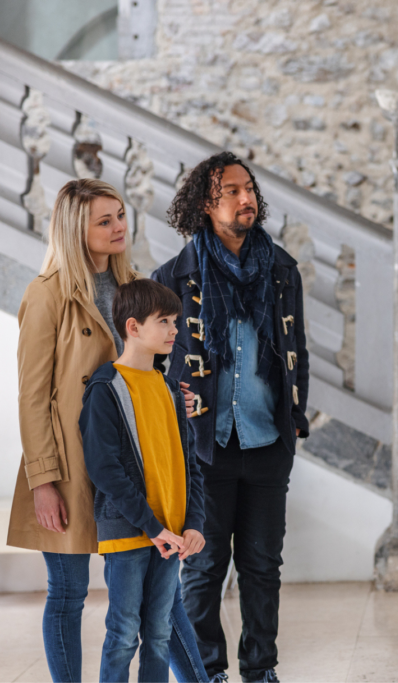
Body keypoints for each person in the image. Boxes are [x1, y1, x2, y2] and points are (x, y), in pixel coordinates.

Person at [5, 178, 209, 683]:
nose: (120, 227)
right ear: (76, 228)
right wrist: (43, 479)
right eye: (105, 220)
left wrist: (169, 397)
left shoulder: (134, 284)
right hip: (71, 464)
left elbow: (144, 366)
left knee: (161, 595)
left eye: (120, 215)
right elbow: (32, 396)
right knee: (69, 592)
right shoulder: (46, 294)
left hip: (137, 464)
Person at [153, 152, 310, 683]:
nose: (248, 200)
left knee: (263, 568)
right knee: (202, 569)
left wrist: (293, 422)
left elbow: (298, 353)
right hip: (204, 449)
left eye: (250, 190)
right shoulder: (174, 277)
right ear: (205, 204)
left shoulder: (282, 269)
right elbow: (157, 367)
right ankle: (208, 672)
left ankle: (260, 669)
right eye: (233, 192)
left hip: (267, 441)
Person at [80, 279, 207, 682]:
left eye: (176, 321)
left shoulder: (170, 389)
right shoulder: (105, 388)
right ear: (133, 327)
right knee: (122, 634)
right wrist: (151, 526)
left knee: (158, 633)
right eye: (165, 322)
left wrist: (194, 523)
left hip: (170, 535)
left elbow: (191, 465)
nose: (175, 330)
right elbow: (104, 469)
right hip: (132, 532)